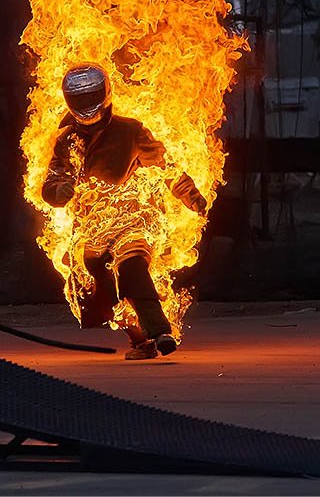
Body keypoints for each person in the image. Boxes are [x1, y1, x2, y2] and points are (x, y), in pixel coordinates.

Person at [42, 63, 208, 360]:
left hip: (132, 217)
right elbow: (51, 182)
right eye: (78, 101)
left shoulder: (130, 131)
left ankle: (160, 332)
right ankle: (141, 341)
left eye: (90, 97)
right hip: (92, 229)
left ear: (104, 95)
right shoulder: (66, 141)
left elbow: (165, 166)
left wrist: (190, 195)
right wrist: (59, 192)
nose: (85, 108)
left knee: (132, 267)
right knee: (103, 287)